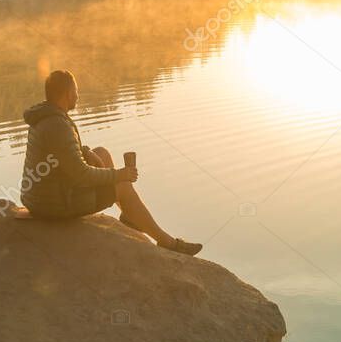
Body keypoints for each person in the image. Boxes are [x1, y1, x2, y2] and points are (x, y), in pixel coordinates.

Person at [20, 69, 203, 256]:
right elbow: (82, 176)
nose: (78, 95)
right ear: (67, 94)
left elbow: (59, 151)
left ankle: (130, 215)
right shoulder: (57, 124)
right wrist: (120, 175)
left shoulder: (46, 115)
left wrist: (86, 151)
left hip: (45, 194)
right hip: (52, 204)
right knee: (123, 186)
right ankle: (167, 242)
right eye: (76, 91)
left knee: (102, 153)